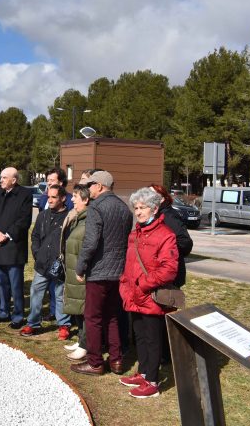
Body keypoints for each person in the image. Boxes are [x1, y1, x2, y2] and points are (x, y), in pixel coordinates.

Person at [118, 187, 179, 398]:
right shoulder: (135, 232)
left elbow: (169, 269)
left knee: (153, 340)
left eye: (142, 208)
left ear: (154, 208)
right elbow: (129, 262)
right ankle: (143, 372)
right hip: (133, 294)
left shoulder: (166, 235)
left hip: (150, 295)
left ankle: (152, 381)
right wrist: (125, 284)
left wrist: (143, 284)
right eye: (136, 207)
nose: (138, 212)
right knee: (139, 337)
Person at [71, 170, 133, 376]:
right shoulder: (124, 208)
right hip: (118, 271)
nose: (88, 189)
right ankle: (116, 361)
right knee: (113, 316)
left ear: (100, 186)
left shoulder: (96, 207)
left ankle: (95, 362)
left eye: (90, 185)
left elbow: (90, 242)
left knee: (93, 317)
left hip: (99, 271)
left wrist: (81, 267)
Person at [20, 184, 71, 339]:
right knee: (35, 292)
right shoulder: (42, 215)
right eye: (48, 196)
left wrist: (63, 257)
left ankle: (63, 325)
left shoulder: (70, 217)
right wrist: (37, 252)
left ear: (63, 198)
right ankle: (33, 323)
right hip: (42, 263)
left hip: (60, 264)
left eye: (54, 197)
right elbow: (35, 235)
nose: (50, 200)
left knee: (60, 294)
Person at [0, 167, 33, 328]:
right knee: (1, 283)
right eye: (1, 177)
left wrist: (6, 235)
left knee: (15, 284)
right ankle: (3, 312)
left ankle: (18, 316)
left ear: (14, 180)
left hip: (13, 245)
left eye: (5, 177)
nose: (1, 180)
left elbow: (24, 221)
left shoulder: (25, 195)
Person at [38, 167, 74, 320]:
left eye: (52, 180)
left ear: (60, 182)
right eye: (48, 180)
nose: (48, 183)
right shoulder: (43, 199)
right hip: (43, 249)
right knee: (44, 284)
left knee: (58, 285)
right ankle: (52, 311)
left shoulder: (70, 201)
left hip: (59, 250)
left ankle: (60, 314)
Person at [62, 184, 91, 362]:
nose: (71, 199)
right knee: (77, 309)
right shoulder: (78, 218)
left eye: (75, 196)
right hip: (73, 271)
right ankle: (81, 339)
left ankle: (85, 345)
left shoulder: (89, 221)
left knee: (85, 309)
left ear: (86, 199)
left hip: (81, 273)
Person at [150, 183, 191, 288]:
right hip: (160, 273)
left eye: (152, 194)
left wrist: (166, 250)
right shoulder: (155, 215)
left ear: (162, 199)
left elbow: (185, 242)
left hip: (171, 275)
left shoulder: (168, 216)